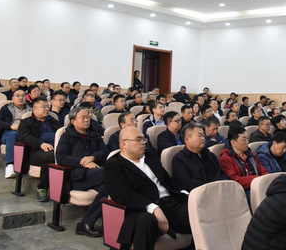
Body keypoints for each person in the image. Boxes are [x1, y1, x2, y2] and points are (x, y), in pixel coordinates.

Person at [104, 127, 192, 250]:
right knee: (146, 220)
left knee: (197, 211)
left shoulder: (150, 156)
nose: (143, 142)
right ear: (124, 144)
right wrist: (153, 208)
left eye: (144, 139)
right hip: (142, 208)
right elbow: (124, 194)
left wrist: (187, 194)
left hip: (170, 204)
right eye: (138, 140)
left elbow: (167, 180)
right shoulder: (114, 165)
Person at [56, 108, 108, 237]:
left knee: (109, 188)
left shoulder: (94, 134)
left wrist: (93, 157)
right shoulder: (67, 136)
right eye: (83, 118)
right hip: (78, 176)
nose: (86, 120)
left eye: (88, 117)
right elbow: (61, 157)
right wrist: (82, 162)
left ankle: (85, 224)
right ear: (73, 121)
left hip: (96, 172)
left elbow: (105, 151)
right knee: (111, 174)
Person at [16, 97, 61, 201]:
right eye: (43, 107)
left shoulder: (53, 121)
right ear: (34, 109)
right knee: (51, 156)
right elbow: (24, 137)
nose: (46, 109)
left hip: (56, 148)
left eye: (47, 106)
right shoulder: (26, 122)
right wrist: (40, 144)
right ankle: (42, 188)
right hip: (36, 151)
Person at [172, 122, 228, 192]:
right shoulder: (179, 159)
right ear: (187, 139)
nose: (203, 139)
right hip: (197, 195)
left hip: (219, 191)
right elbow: (186, 183)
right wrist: (210, 188)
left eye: (203, 135)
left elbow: (221, 174)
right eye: (199, 136)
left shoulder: (210, 155)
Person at [0, 88, 31, 178]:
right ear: (12, 98)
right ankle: (10, 165)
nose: (20, 98)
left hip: (25, 132)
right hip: (9, 132)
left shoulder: (31, 108)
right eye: (17, 96)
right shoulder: (6, 108)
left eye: (23, 96)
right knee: (13, 135)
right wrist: (10, 126)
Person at [219, 126, 268, 194]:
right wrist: (256, 179)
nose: (247, 142)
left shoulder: (251, 155)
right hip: (240, 192)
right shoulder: (226, 159)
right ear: (233, 142)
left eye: (247, 138)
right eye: (244, 139)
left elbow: (263, 171)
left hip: (257, 186)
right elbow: (234, 181)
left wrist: (264, 179)